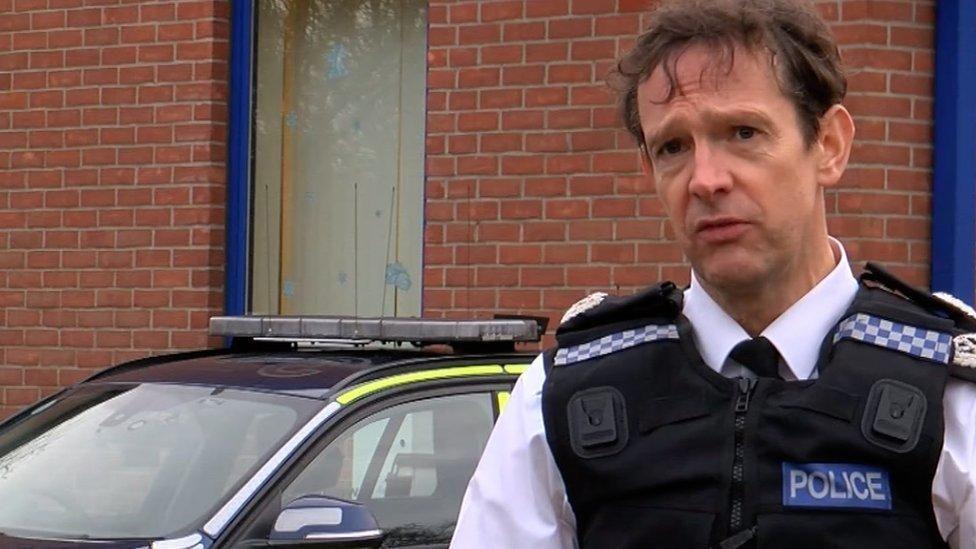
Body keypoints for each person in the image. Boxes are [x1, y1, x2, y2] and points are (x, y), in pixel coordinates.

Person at [449, 0, 976, 547]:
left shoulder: (949, 400)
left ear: (829, 146)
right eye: (673, 147)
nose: (706, 179)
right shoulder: (562, 398)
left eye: (743, 132)